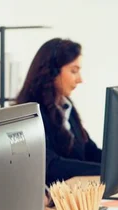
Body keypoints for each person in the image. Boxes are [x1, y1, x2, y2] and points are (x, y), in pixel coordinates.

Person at [16, 38, 101, 186]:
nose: (80, 79)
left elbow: (89, 150)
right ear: (52, 72)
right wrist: (105, 170)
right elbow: (52, 166)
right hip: (52, 203)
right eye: (74, 71)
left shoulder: (66, 106)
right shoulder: (30, 114)